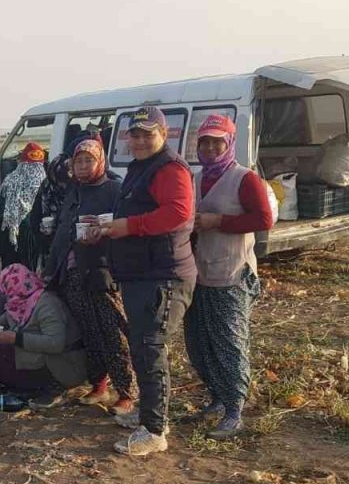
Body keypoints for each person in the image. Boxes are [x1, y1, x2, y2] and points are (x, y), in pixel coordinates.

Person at [98, 106, 196, 456]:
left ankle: (155, 431)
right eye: (135, 135)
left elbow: (178, 212)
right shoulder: (141, 166)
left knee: (151, 348)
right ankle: (148, 414)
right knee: (141, 346)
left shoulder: (170, 168)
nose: (139, 141)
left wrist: (129, 226)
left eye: (147, 135)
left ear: (164, 134)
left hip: (163, 276)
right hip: (141, 274)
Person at [183, 114, 273, 439]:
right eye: (204, 142)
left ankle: (235, 409)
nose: (209, 148)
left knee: (229, 342)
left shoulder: (244, 179)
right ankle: (217, 397)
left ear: (229, 143)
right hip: (198, 272)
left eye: (216, 142)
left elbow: (263, 219)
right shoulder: (195, 178)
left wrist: (217, 221)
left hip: (231, 273)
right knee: (199, 342)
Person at [49, 137, 136, 414]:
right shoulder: (74, 191)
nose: (83, 166)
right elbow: (64, 229)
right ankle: (99, 385)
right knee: (89, 332)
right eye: (79, 161)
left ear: (100, 161)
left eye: (89, 160)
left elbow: (126, 229)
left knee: (114, 333)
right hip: (74, 273)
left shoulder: (113, 189)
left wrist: (103, 233)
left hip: (103, 271)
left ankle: (126, 392)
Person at [0, 264, 87, 401]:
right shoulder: (19, 304)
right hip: (42, 357)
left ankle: (47, 387)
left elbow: (56, 343)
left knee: (1, 355)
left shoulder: (46, 304)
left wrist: (16, 339)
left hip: (63, 365)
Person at [0, 143, 47, 266]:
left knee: (7, 269)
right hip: (31, 235)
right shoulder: (45, 180)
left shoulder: (10, 179)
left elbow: (1, 208)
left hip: (7, 233)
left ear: (21, 162)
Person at [18, 152, 72, 275]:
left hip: (70, 249)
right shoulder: (46, 188)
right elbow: (35, 218)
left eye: (66, 180)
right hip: (48, 247)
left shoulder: (76, 190)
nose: (63, 185)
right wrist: (43, 234)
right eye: (60, 180)